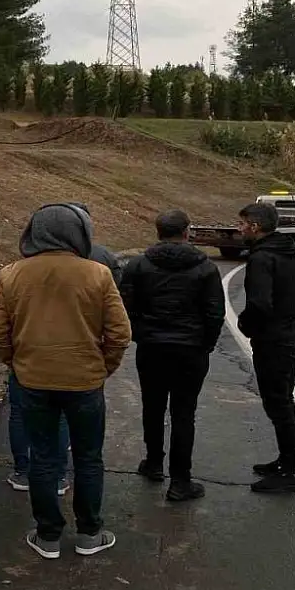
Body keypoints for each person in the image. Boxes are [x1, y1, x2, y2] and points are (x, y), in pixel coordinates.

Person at [0, 203, 132, 559]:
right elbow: (119, 333)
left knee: (43, 457)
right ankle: (89, 534)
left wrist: (17, 363)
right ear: (80, 233)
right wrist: (103, 368)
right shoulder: (98, 274)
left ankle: (48, 535)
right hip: (84, 381)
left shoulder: (11, 275)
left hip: (32, 380)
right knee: (88, 458)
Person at [119, 210, 225, 502]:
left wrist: (141, 334)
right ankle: (180, 480)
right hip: (190, 348)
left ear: (158, 231)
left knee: (152, 406)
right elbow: (215, 312)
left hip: (152, 346)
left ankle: (154, 462)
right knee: (183, 412)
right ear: (187, 231)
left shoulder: (139, 265)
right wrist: (206, 344)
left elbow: (125, 306)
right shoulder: (204, 268)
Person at [237, 202, 295, 493]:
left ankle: (292, 471)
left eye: (242, 224)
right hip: (292, 336)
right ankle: (286, 460)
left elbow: (259, 304)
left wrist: (246, 325)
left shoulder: (262, 258)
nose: (239, 229)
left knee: (279, 404)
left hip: (274, 341)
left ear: (255, 226)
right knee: (281, 402)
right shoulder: (290, 249)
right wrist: (292, 298)